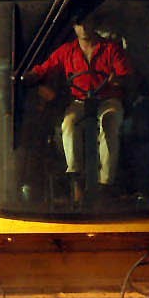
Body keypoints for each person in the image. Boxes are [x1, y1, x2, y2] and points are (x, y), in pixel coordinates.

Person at [23, 11, 133, 196]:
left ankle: (106, 183)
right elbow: (46, 67)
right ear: (74, 27)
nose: (83, 28)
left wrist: (117, 80)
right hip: (80, 100)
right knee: (68, 123)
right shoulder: (66, 52)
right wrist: (31, 75)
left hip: (107, 99)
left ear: (94, 24)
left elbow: (126, 75)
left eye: (87, 22)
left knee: (110, 121)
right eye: (79, 24)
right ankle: (75, 177)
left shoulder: (111, 49)